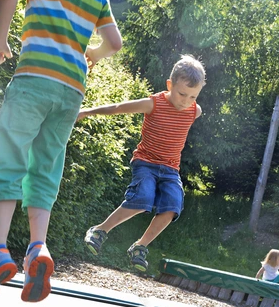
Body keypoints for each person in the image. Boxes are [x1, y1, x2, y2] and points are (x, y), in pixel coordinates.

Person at [0, 0, 122, 304]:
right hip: (71, 92)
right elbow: (114, 43)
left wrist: (0, 40)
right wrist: (92, 55)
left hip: (33, 81)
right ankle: (38, 248)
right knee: (47, 166)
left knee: (10, 159)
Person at [80, 55, 206, 272]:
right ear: (170, 85)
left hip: (170, 170)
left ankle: (140, 246)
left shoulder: (195, 111)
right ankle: (100, 230)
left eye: (192, 96)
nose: (186, 101)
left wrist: (190, 101)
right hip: (145, 163)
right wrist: (87, 112)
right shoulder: (152, 103)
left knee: (172, 207)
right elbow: (119, 107)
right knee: (143, 197)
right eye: (182, 94)